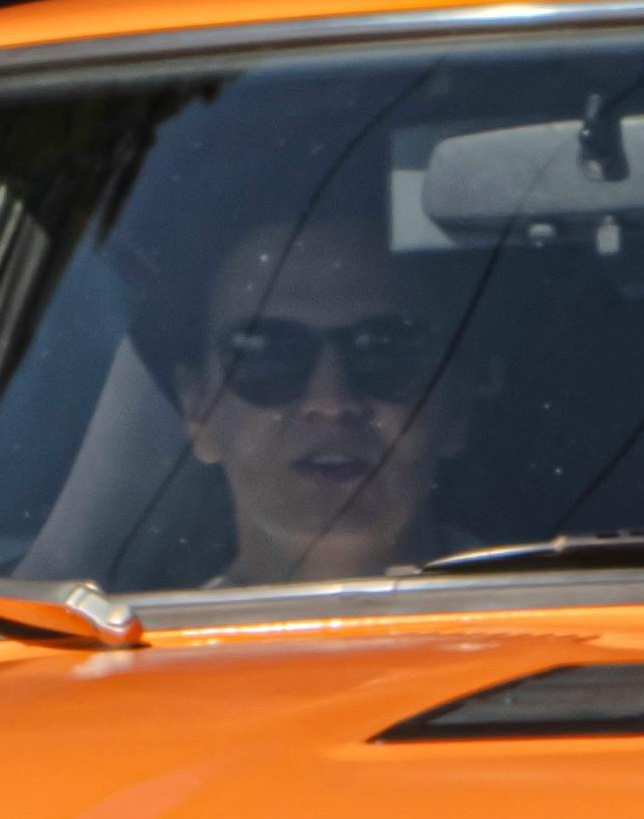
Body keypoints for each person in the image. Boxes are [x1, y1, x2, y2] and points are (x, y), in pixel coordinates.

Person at [157, 207, 481, 585]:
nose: (331, 402)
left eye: (383, 353)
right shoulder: (114, 642)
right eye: (269, 356)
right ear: (196, 408)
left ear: (457, 407)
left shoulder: (559, 626)